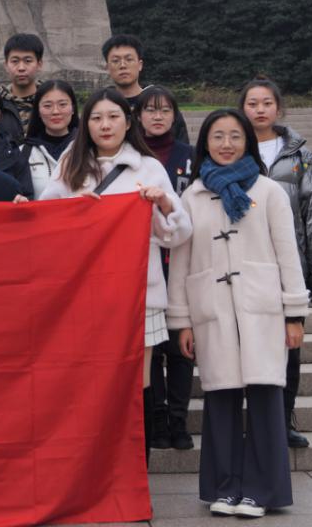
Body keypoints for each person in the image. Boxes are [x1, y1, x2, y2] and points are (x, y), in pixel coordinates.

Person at [166, 109, 310, 518]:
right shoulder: (193, 196)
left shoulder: (269, 191)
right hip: (212, 309)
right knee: (221, 397)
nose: (226, 144)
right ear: (205, 143)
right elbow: (181, 263)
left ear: (248, 140)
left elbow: (288, 254)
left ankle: (261, 490)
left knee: (265, 397)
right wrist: (182, 321)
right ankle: (224, 486)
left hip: (262, 308)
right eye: (217, 136)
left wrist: (294, 314)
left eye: (234, 136)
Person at [40, 88, 192, 465]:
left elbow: (179, 234)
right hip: (84, 295)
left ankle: (135, 472)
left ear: (128, 122)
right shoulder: (70, 165)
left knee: (137, 383)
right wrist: (74, 210)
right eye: (96, 118)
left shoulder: (148, 167)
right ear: (85, 124)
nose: (105, 125)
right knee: (89, 383)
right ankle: (93, 471)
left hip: (139, 294)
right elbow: (43, 223)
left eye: (113, 117)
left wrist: (163, 203)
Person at [240, 77, 312, 449]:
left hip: (288, 266)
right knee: (247, 348)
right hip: (246, 264)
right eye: (252, 103)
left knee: (289, 348)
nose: (260, 109)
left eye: (267, 102)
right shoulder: (232, 150)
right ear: (242, 109)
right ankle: (252, 421)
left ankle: (283, 419)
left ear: (278, 108)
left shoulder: (300, 156)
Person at [138, 86, 197, 451]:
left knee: (179, 345)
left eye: (164, 110)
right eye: (150, 110)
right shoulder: (134, 158)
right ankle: (157, 419)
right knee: (151, 345)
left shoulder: (191, 156)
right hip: (145, 261)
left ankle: (178, 419)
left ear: (175, 116)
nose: (157, 116)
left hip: (182, 257)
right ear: (138, 116)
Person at [102, 34, 189, 143]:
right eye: (115, 61)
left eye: (129, 59)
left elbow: (181, 145)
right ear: (107, 67)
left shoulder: (161, 102)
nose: (123, 65)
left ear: (140, 65)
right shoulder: (102, 104)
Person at [21, 79, 78, 200]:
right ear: (38, 111)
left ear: (73, 108)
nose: (55, 111)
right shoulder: (23, 153)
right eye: (47, 106)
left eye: (62, 104)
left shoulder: (89, 149)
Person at [0, 33, 45, 134]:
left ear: (39, 64)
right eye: (15, 61)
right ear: (6, 65)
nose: (21, 68)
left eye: (28, 61)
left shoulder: (50, 100)